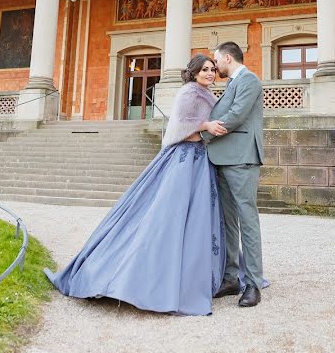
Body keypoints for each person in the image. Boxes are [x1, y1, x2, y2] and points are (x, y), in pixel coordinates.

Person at [45, 54, 228, 315]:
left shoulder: (206, 93)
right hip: (183, 159)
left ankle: (192, 272)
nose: (210, 73)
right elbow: (179, 127)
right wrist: (206, 125)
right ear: (194, 72)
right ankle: (142, 275)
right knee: (167, 216)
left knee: (197, 218)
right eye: (205, 70)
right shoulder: (189, 92)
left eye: (212, 69)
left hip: (200, 161)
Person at [200, 41, 266, 308]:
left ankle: (253, 284)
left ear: (228, 58)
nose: (215, 67)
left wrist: (201, 134)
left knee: (247, 220)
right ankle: (230, 278)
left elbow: (237, 115)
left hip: (242, 159)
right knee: (228, 222)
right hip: (224, 159)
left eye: (217, 62)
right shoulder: (231, 83)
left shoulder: (249, 80)